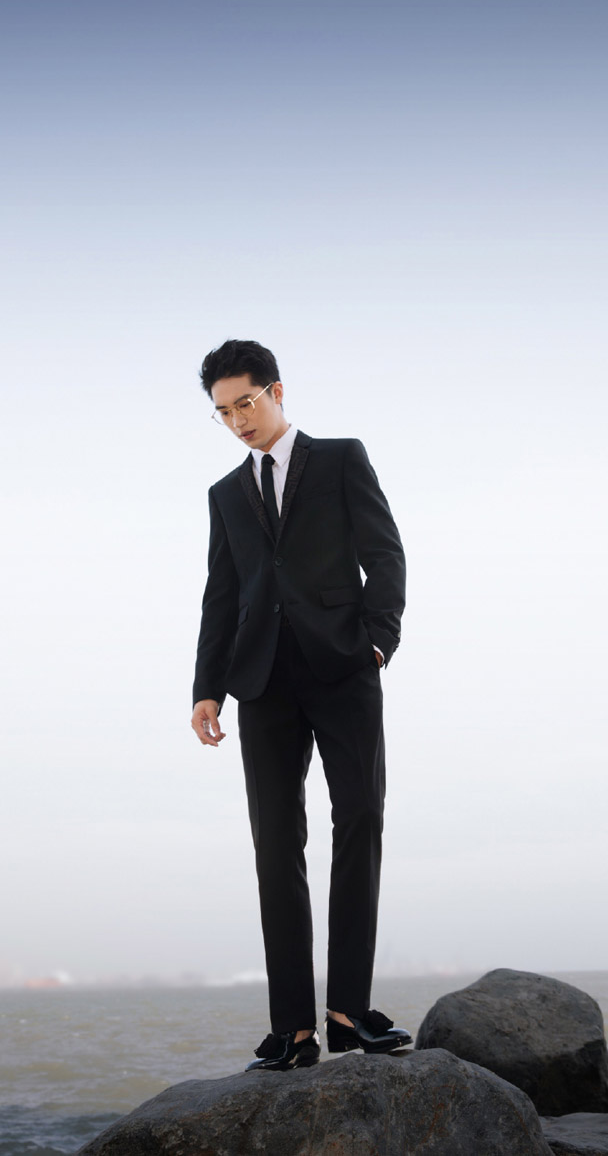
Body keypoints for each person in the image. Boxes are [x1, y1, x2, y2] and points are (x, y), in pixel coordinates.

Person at [190, 339, 410, 1071]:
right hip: (263, 685)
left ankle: (349, 1011)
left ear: (277, 391)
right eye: (224, 412)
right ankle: (292, 1029)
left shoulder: (342, 459)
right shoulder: (226, 494)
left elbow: (385, 554)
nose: (238, 421)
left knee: (361, 820)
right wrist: (206, 687)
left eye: (246, 403)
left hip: (345, 669)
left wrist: (378, 641)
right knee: (276, 846)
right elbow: (222, 596)